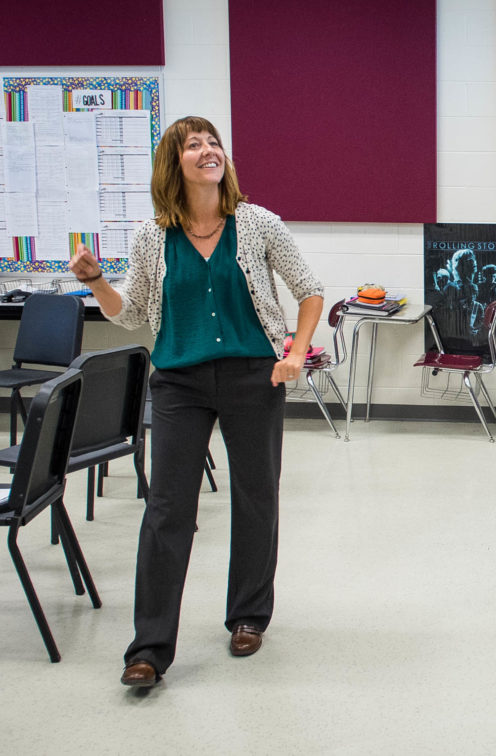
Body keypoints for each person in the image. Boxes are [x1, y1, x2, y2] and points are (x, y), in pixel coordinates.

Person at [69, 116, 324, 687]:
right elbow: (131, 314)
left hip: (254, 376)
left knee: (256, 496)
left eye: (214, 143)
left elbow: (309, 289)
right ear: (174, 163)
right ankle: (150, 648)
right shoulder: (151, 237)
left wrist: (296, 352)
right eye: (195, 144)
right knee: (167, 510)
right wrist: (96, 282)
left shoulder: (257, 224)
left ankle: (248, 616)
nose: (209, 150)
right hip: (180, 383)